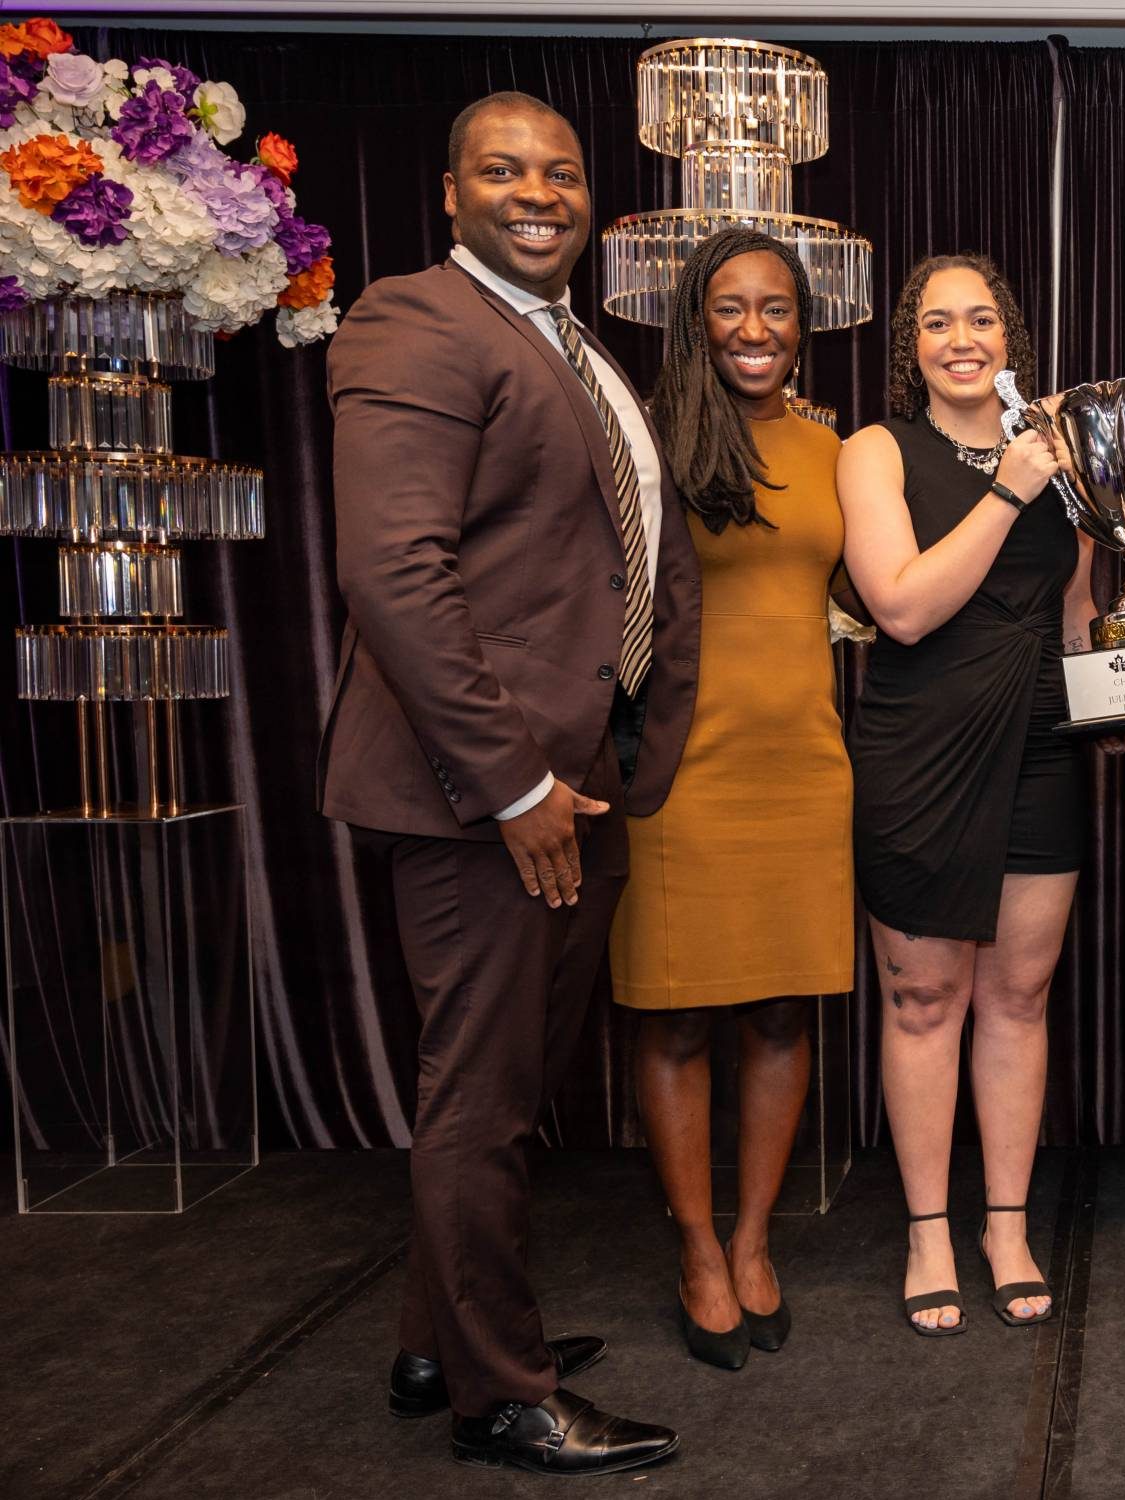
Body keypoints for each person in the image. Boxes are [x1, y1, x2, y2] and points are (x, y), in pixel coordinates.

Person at [322, 91, 691, 1475]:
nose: (537, 191)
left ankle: (442, 1341)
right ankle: (503, 1396)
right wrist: (517, 784)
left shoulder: (569, 343)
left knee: (511, 1083)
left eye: (561, 172)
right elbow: (395, 575)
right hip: (479, 791)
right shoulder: (415, 319)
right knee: (480, 1095)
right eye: (503, 169)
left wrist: (601, 759)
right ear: (449, 191)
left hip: (575, 776)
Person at [834, 254, 1096, 1336]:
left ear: (1010, 336)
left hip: (1040, 742)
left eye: (980, 318)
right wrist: (1006, 491)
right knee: (924, 1001)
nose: (961, 339)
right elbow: (899, 608)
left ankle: (1005, 1224)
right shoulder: (874, 451)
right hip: (920, 746)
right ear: (913, 346)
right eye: (937, 322)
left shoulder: (1062, 453)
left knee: (1019, 1000)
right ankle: (929, 1231)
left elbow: (1079, 615)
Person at [611, 228, 855, 1370]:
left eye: (776, 309)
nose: (754, 330)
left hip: (804, 764)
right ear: (693, 320)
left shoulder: (832, 448)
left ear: (803, 324)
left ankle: (757, 1239)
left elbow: (885, 586)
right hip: (682, 771)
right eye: (729, 308)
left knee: (780, 1010)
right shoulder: (647, 441)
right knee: (674, 1015)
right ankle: (698, 1248)